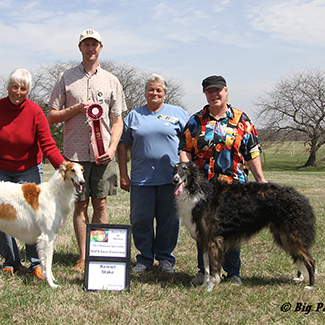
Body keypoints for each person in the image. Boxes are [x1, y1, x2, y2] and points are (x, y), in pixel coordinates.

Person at [0, 68, 66, 279]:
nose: (18, 91)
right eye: (14, 87)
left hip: (29, 169)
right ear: (8, 87)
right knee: (1, 215)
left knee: (34, 217)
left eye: (23, 88)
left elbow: (48, 144)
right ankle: (10, 261)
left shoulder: (35, 112)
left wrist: (64, 167)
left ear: (28, 90)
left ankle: (35, 263)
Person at [46, 29, 127, 272]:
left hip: (103, 156)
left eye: (94, 44)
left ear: (101, 47)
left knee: (100, 204)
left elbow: (117, 120)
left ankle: (99, 253)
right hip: (75, 157)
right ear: (79, 48)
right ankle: (83, 257)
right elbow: (52, 116)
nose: (90, 48)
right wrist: (76, 109)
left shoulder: (111, 80)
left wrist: (112, 148)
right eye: (86, 44)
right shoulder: (65, 77)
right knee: (80, 206)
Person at [179, 75, 267, 285]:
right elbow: (185, 149)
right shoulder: (195, 120)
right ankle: (206, 271)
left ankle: (232, 272)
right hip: (203, 188)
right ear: (205, 94)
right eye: (210, 91)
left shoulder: (241, 119)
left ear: (226, 91)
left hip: (233, 186)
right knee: (204, 229)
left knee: (231, 228)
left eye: (218, 90)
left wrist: (260, 180)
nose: (214, 94)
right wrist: (186, 173)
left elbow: (251, 152)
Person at [118, 74, 189, 274]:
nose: (155, 93)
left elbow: (189, 143)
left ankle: (166, 259)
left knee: (170, 220)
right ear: (145, 92)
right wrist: (123, 174)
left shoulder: (179, 114)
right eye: (151, 89)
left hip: (171, 180)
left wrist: (186, 174)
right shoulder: (134, 116)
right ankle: (145, 258)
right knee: (140, 219)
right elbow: (122, 145)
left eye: (159, 90)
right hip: (141, 179)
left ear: (165, 94)